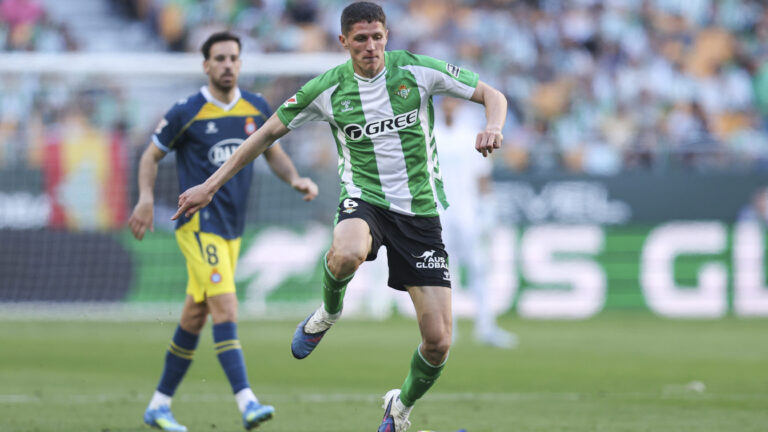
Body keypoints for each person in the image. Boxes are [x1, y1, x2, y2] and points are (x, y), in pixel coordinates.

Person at [172, 3, 506, 431]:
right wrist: (210, 185)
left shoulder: (418, 71)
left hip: (419, 213)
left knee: (438, 342)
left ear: (387, 36)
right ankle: (328, 313)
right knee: (347, 252)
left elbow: (493, 95)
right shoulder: (328, 88)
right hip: (365, 199)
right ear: (344, 41)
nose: (371, 46)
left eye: (377, 37)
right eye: (361, 39)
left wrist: (494, 125)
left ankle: (399, 409)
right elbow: (265, 134)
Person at [128, 31, 318, 432]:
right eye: (220, 58)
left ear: (240, 63)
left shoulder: (256, 106)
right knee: (226, 309)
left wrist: (296, 179)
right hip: (198, 225)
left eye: (233, 58)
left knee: (195, 315)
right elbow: (150, 155)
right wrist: (145, 198)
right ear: (206, 65)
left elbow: (274, 152)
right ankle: (247, 401)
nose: (228, 65)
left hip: (232, 229)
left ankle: (159, 405)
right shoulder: (186, 111)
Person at [434, 97, 517, 349]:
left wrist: (487, 209)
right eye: (445, 101)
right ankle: (449, 329)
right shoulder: (431, 133)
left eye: (453, 101)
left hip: (467, 212)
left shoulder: (470, 133)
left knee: (479, 268)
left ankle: (486, 326)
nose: (449, 106)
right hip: (439, 213)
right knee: (444, 273)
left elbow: (482, 176)